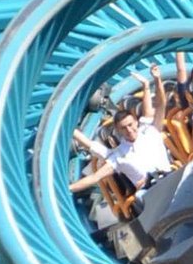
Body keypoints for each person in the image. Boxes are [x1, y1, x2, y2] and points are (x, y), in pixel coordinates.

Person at [69, 64, 172, 194]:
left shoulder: (150, 131)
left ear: (135, 122)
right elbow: (94, 176)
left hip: (169, 178)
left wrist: (154, 81)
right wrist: (68, 189)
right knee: (141, 196)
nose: (129, 130)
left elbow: (160, 105)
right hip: (150, 191)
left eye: (130, 125)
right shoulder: (117, 155)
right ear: (118, 130)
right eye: (124, 128)